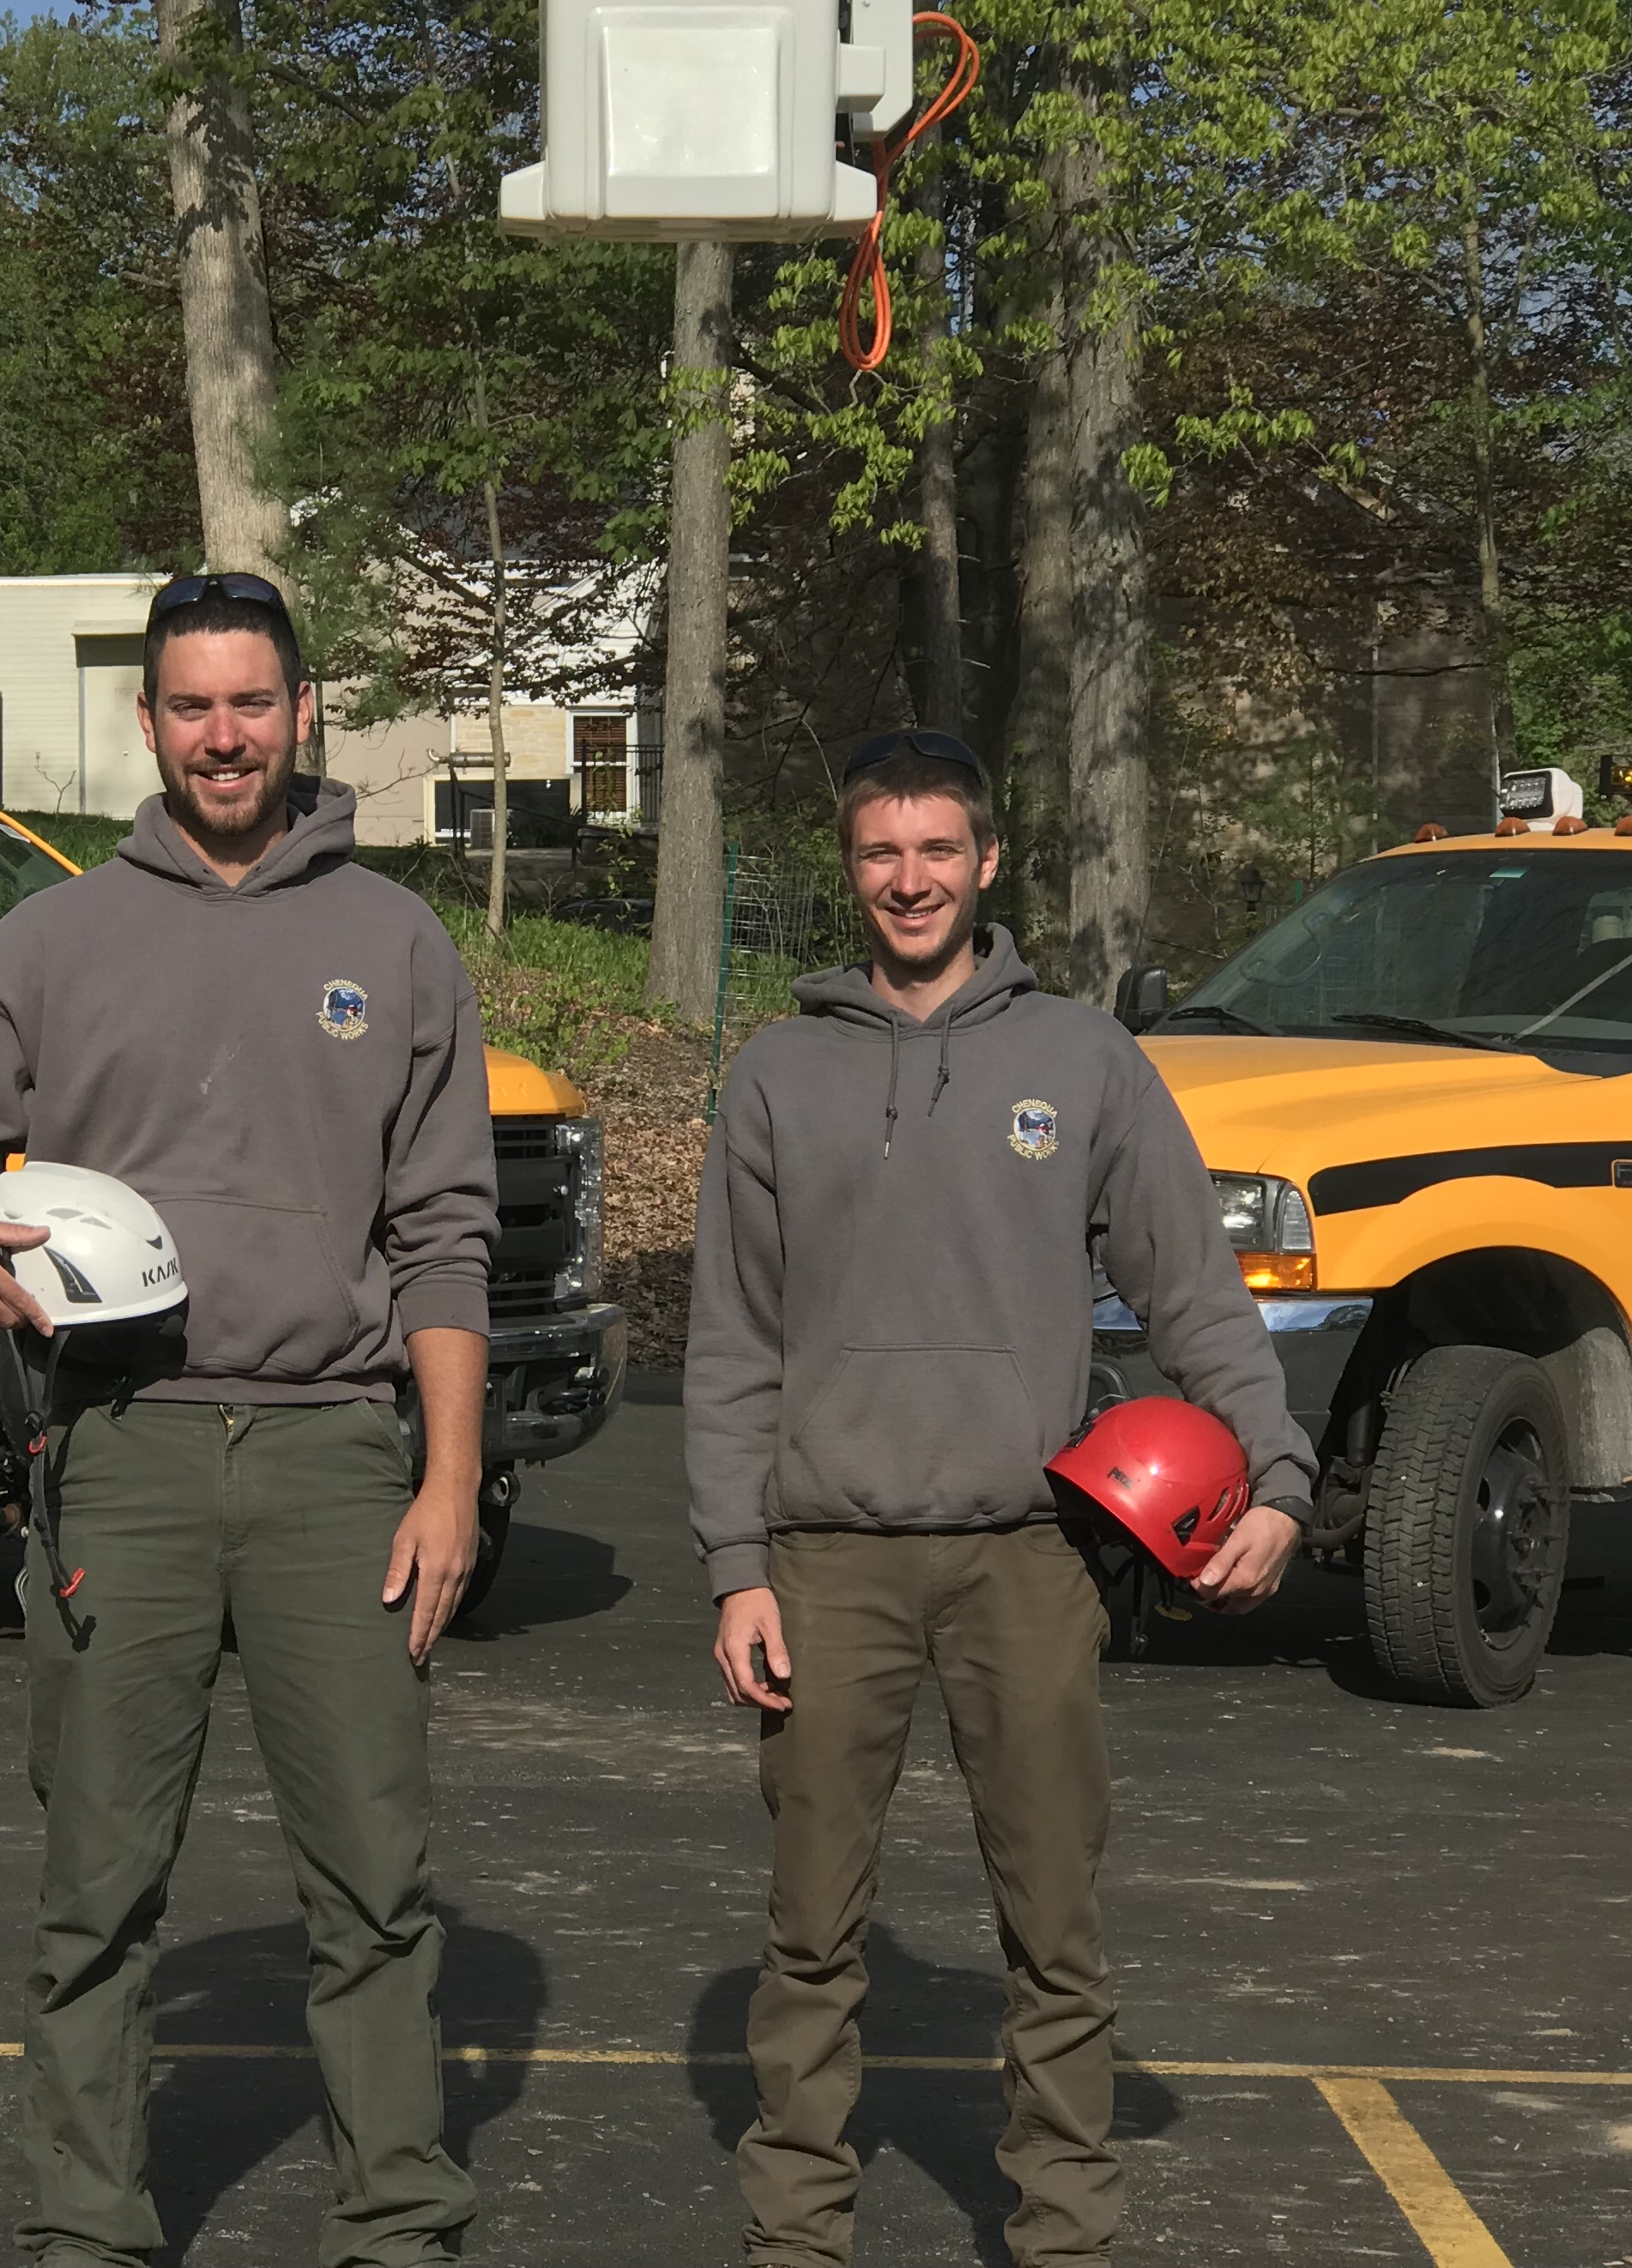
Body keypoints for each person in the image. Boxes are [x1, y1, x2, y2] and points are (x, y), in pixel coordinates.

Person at [0, 572, 496, 2268]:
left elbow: (444, 1240)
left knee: (373, 1882)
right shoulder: (55, 941)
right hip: (121, 1453)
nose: (225, 735)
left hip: (331, 1464)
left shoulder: (396, 944)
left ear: (304, 715)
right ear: (149, 722)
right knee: (99, 1887)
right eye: (193, 705)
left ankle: (398, 2221)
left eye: (253, 703)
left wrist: (448, 1479)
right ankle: (87, 2226)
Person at [683, 731, 1318, 2268]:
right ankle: (796, 2236)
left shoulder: (1084, 1060)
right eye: (881, 853)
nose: (910, 879)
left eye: (937, 851)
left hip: (1031, 1564)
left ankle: (1066, 2234)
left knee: (1054, 1930)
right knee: (812, 1937)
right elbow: (731, 1346)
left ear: (986, 865)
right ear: (852, 868)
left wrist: (1279, 1478)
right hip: (826, 1563)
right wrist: (735, 1565)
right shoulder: (776, 1073)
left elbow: (1197, 1299)